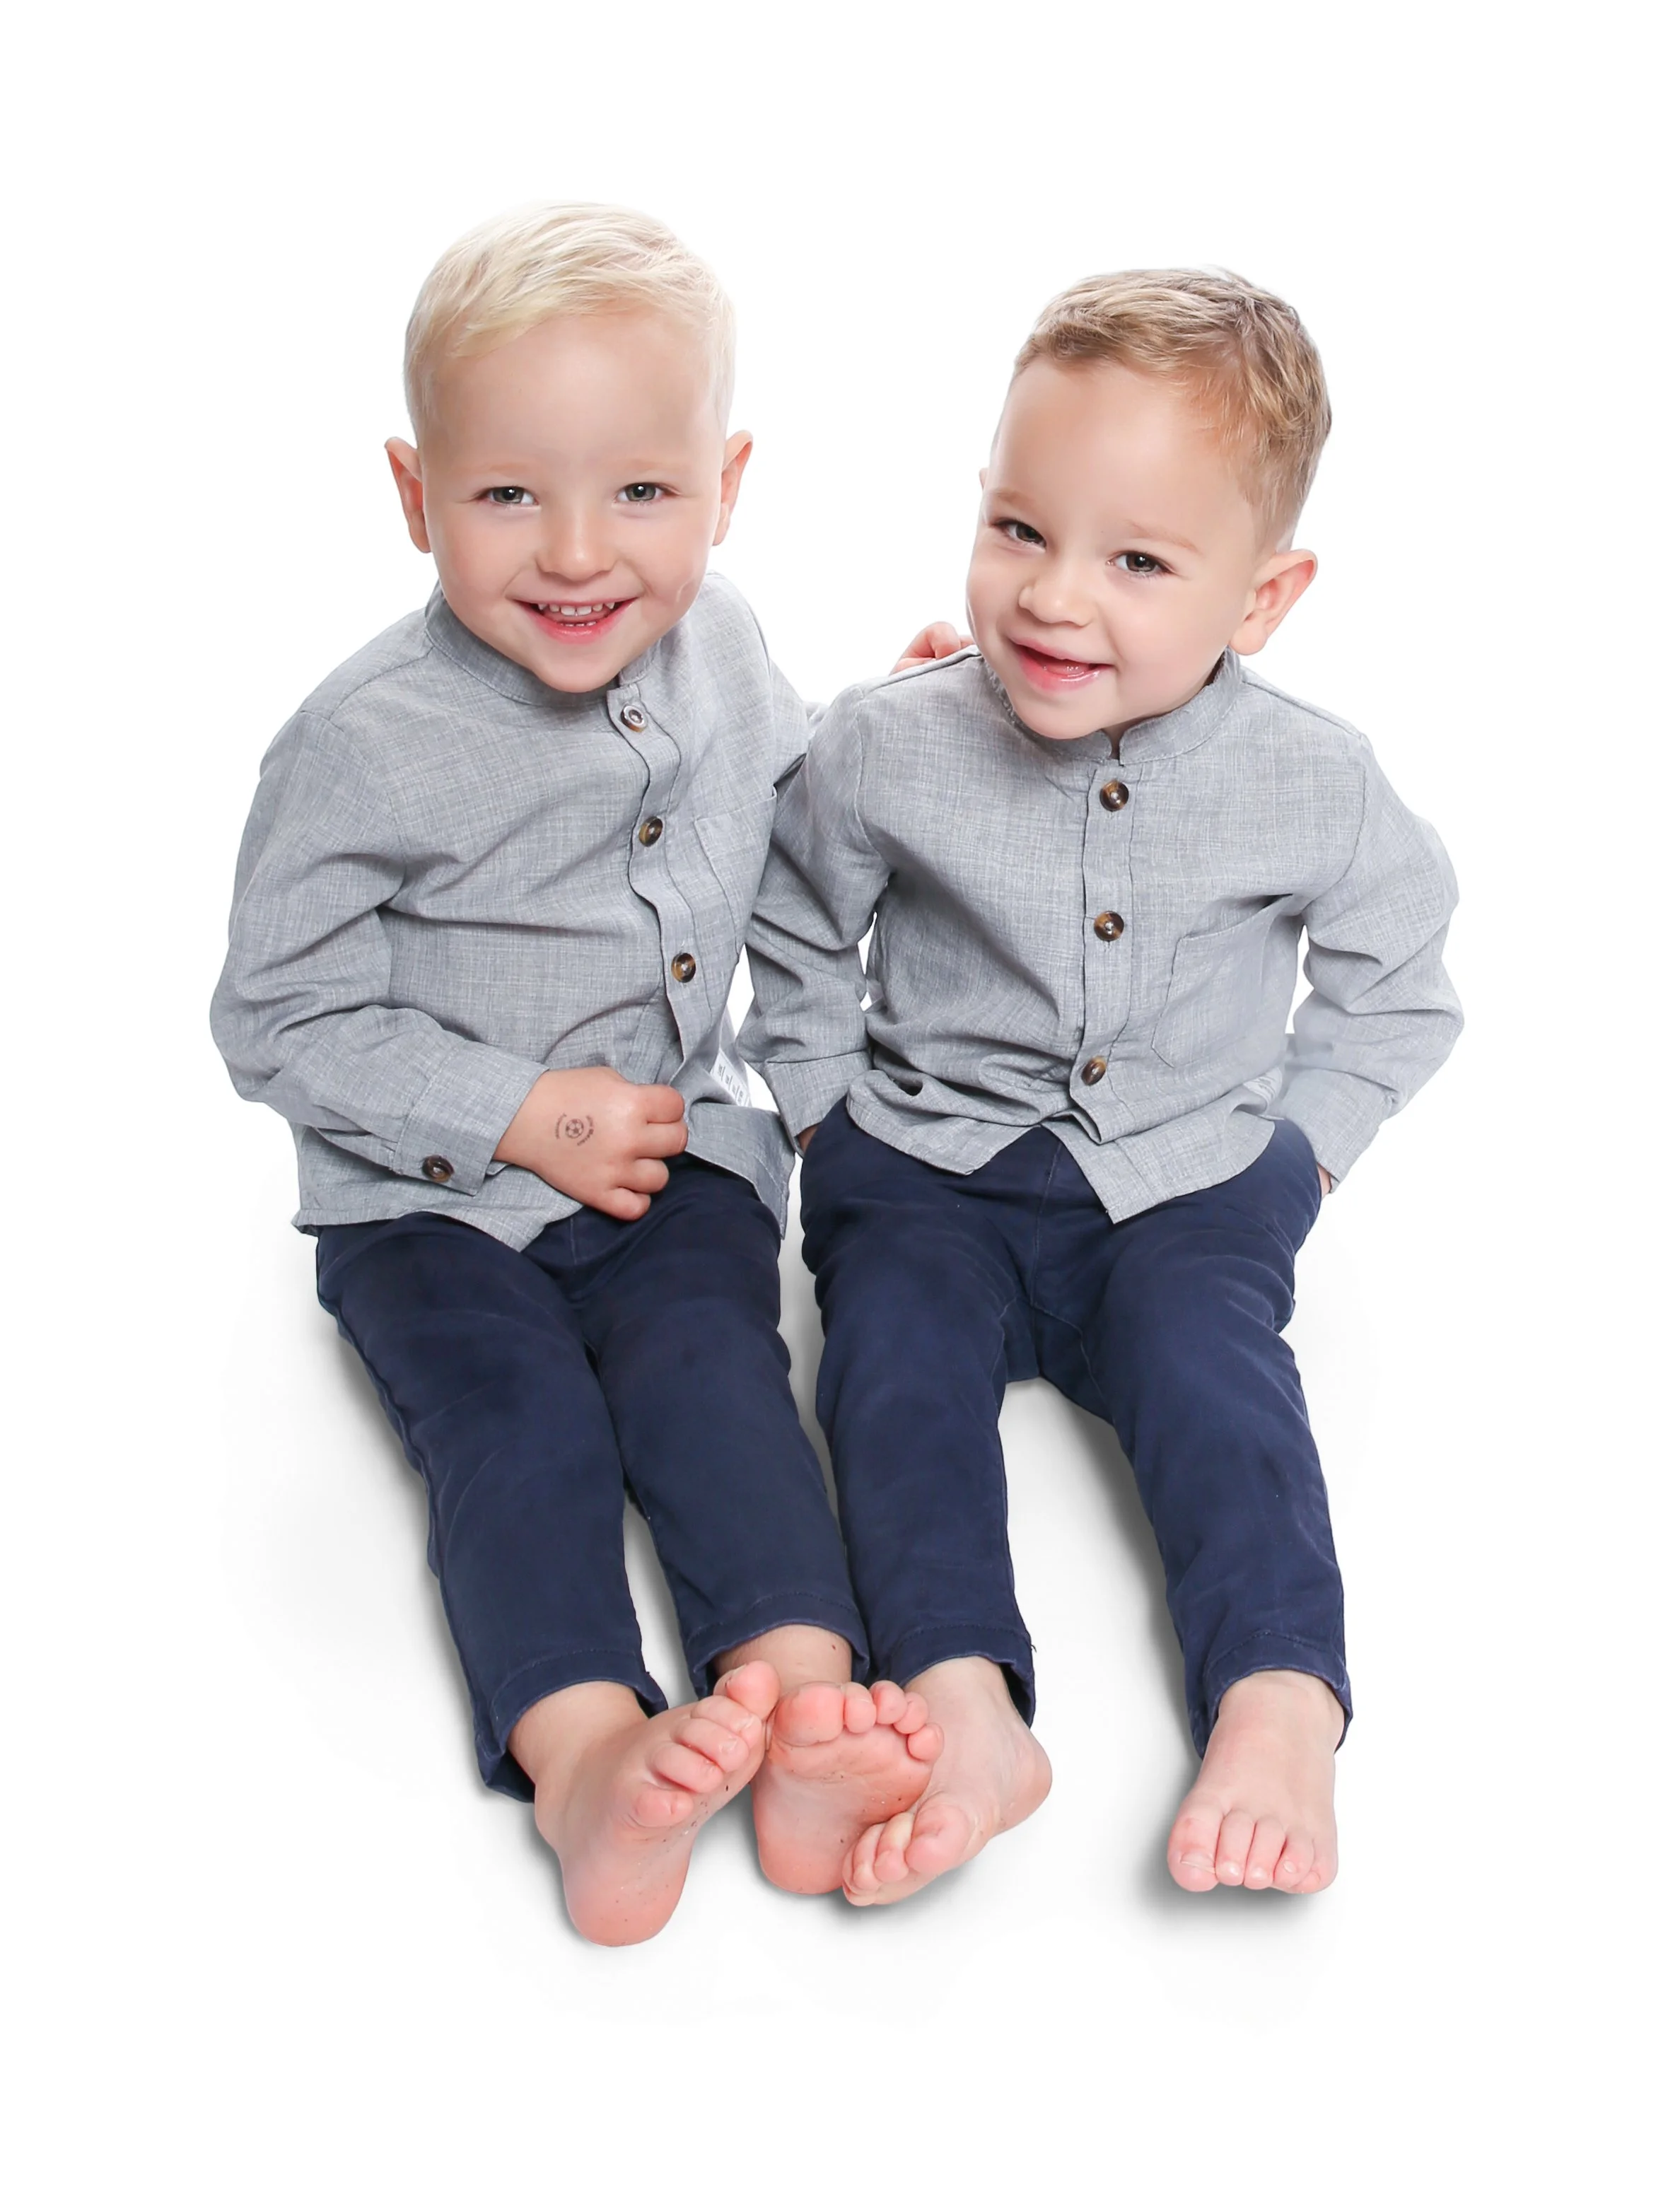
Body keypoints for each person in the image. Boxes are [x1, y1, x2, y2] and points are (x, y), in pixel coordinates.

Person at [211, 203, 942, 1944]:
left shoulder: (724, 644)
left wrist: (901, 725)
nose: (575, 551)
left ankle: (804, 1698)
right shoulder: (363, 742)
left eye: (639, 491)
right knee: (518, 1433)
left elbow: (781, 795)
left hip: (664, 1164)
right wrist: (513, 1108)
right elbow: (274, 1017)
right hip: (428, 1208)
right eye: (507, 494)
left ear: (725, 482)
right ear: (415, 495)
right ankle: (587, 1762)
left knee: (717, 1377)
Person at [744, 269, 1462, 1903]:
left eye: (1139, 561)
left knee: (1223, 1393)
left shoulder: (1313, 779)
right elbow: (792, 925)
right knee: (892, 1379)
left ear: (1263, 596)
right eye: (1020, 530)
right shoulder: (891, 741)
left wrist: (1302, 1158)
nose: (1058, 598)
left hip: (1184, 1182)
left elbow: (1398, 980)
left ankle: (1276, 1701)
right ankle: (962, 1701)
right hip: (927, 1165)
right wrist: (822, 1117)